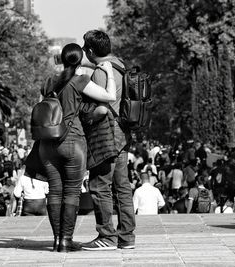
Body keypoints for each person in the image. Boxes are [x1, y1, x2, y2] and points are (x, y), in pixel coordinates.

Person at [38, 43, 117, 252]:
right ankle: (66, 240)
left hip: (47, 145)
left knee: (54, 191)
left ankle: (56, 240)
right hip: (72, 141)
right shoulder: (80, 80)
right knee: (71, 191)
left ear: (63, 60)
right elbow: (110, 96)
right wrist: (108, 73)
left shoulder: (49, 82)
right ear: (79, 59)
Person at [80, 30, 136, 251]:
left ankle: (107, 236)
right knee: (122, 187)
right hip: (122, 133)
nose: (85, 51)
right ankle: (127, 237)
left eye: (86, 48)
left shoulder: (101, 72)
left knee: (99, 185)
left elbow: (103, 109)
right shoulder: (119, 64)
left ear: (91, 51)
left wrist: (86, 118)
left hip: (106, 135)